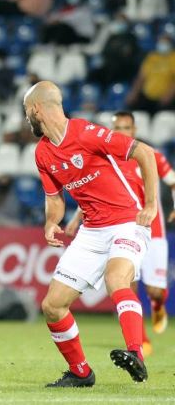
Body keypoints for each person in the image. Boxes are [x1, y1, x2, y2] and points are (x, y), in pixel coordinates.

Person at [26, 81, 158, 387]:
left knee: (116, 279)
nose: (26, 118)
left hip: (127, 221)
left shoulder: (85, 132)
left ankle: (136, 353)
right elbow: (54, 198)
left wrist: (151, 204)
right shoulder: (43, 153)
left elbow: (145, 153)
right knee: (52, 306)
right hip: (91, 231)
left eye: (26, 111)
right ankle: (81, 372)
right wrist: (51, 222)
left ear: (36, 109)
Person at [65, 111, 175, 354]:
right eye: (118, 128)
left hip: (154, 231)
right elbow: (96, 193)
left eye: (127, 128)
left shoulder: (150, 155)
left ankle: (158, 303)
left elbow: (173, 181)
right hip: (126, 228)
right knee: (127, 284)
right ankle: (141, 340)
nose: (122, 132)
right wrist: (75, 219)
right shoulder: (107, 158)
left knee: (155, 290)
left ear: (134, 131)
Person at [126, 33, 175, 114]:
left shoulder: (173, 58)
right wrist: (134, 93)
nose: (162, 45)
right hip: (147, 96)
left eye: (165, 42)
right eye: (161, 42)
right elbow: (141, 77)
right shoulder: (152, 57)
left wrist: (169, 94)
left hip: (165, 98)